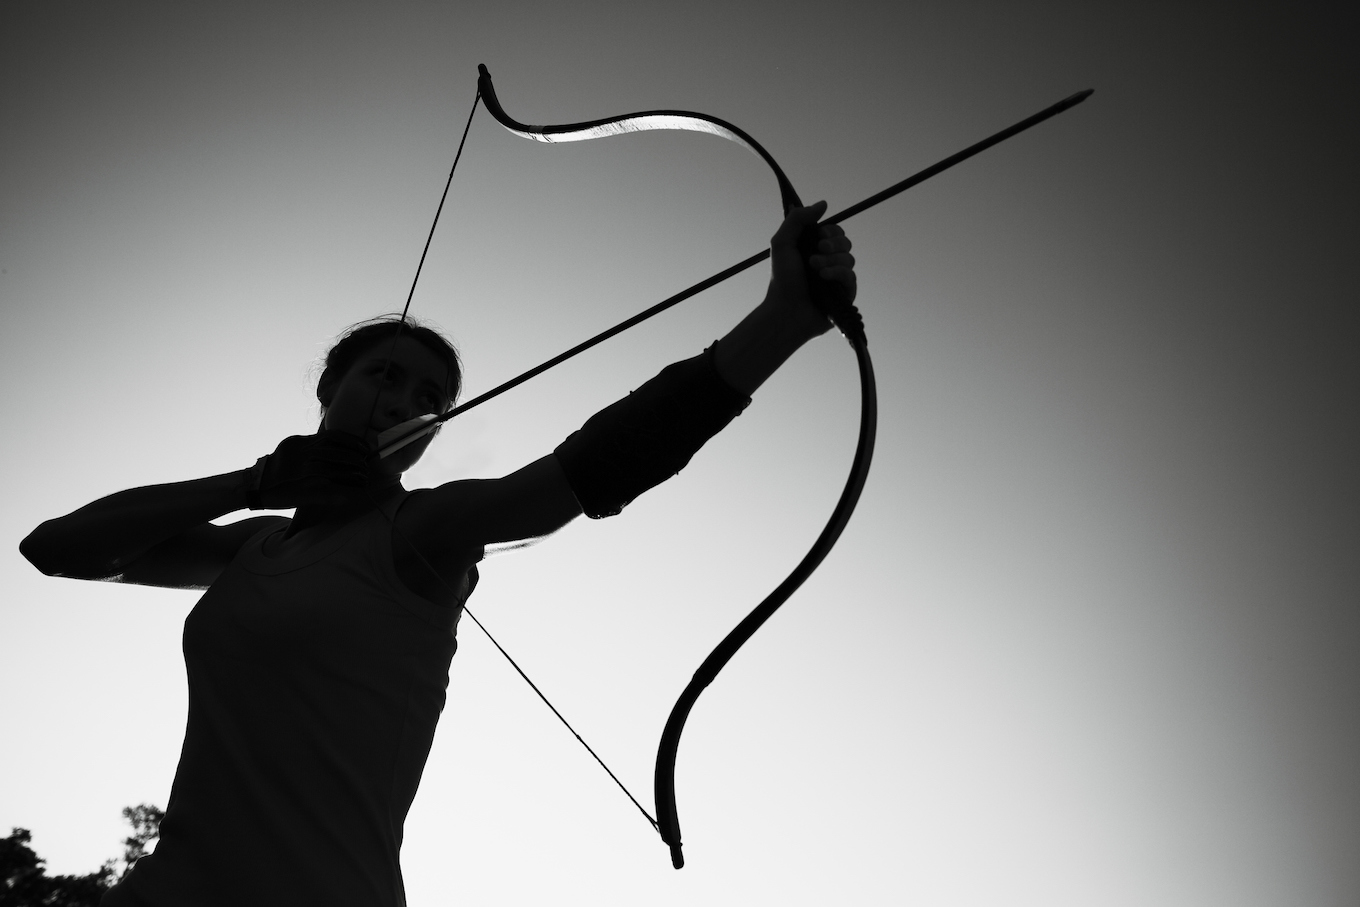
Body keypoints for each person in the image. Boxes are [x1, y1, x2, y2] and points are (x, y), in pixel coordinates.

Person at [20, 202, 856, 906]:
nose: (404, 402)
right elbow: (57, 548)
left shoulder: (425, 531)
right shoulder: (252, 542)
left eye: (431, 399)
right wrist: (255, 479)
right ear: (329, 389)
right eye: (383, 375)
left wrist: (781, 322)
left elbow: (577, 476)